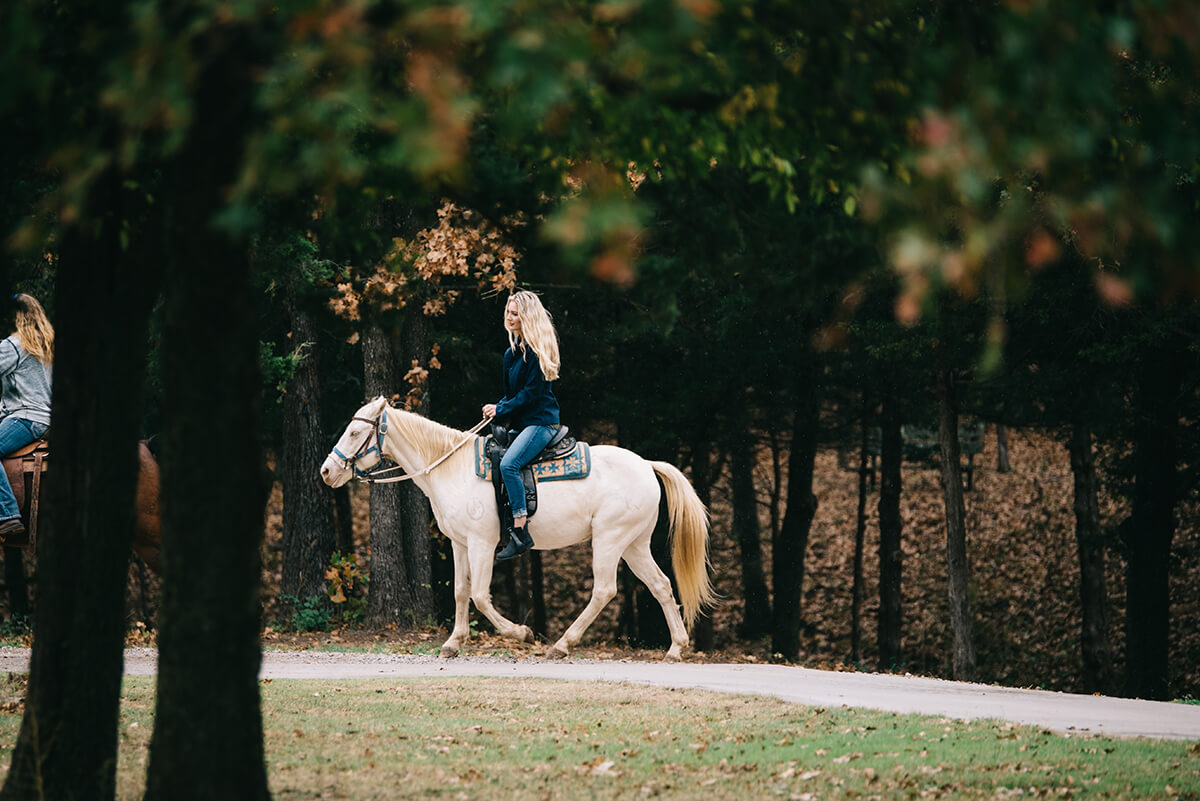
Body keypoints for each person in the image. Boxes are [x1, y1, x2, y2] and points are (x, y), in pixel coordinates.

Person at [482, 291, 561, 561]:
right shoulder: (511, 353)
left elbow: (531, 395)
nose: (510, 317)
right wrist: (496, 408)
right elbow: (512, 394)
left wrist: (501, 408)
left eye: (515, 313)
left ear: (527, 316)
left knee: (509, 465)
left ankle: (520, 531)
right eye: (508, 312)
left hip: (541, 422)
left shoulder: (537, 353)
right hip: (523, 423)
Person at [0, 294, 54, 539]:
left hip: (24, 418)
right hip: (45, 419)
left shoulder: (12, 345)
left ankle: (7, 514)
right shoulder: (47, 344)